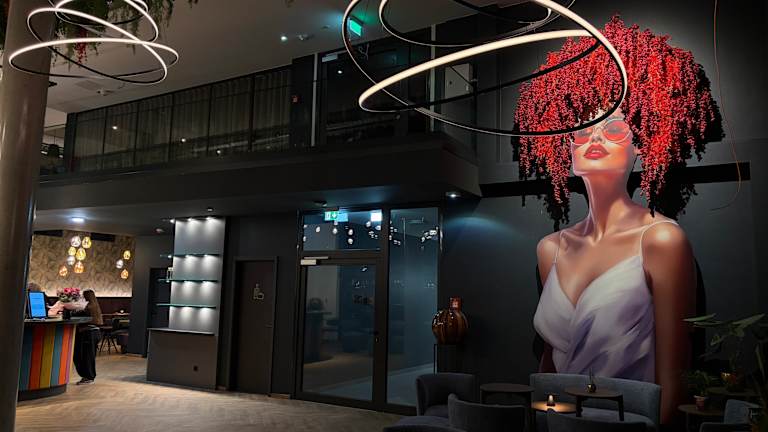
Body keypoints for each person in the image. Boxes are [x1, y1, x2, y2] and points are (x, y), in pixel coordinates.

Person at [514, 18, 720, 423]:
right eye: (582, 131)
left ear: (640, 147)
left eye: (613, 129)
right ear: (569, 149)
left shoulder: (660, 241)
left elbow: (673, 377)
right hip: (559, 421)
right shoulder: (550, 249)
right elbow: (549, 363)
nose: (594, 139)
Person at [73, 289, 103, 384]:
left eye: (83, 296)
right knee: (89, 357)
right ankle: (89, 376)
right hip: (95, 333)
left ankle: (88, 377)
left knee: (83, 357)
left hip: (88, 334)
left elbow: (74, 315)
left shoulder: (87, 308)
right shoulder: (95, 306)